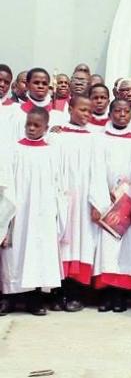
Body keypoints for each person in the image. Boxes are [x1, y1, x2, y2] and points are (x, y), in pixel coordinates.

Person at [0, 107, 64, 316]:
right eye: (29, 124)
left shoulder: (52, 151)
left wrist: (56, 209)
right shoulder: (14, 150)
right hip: (18, 209)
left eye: (37, 125)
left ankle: (34, 299)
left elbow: (58, 182)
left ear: (46, 128)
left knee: (38, 251)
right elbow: (6, 182)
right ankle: (9, 297)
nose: (31, 128)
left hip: (42, 211)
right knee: (14, 253)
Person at [90, 99, 131, 312]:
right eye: (117, 111)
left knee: (128, 250)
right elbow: (95, 171)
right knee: (108, 251)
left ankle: (121, 296)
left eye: (126, 111)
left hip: (129, 202)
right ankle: (106, 295)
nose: (122, 115)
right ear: (110, 113)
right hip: (108, 202)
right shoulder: (99, 140)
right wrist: (99, 200)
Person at [49, 95, 98, 312]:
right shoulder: (57, 137)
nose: (86, 114)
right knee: (61, 243)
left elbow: (98, 172)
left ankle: (75, 293)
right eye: (82, 110)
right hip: (63, 197)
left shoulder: (94, 138)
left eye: (89, 111)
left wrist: (97, 201)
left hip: (84, 199)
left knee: (80, 243)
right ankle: (58, 293)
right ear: (70, 109)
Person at [9, 68, 67, 140]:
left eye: (44, 83)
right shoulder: (15, 113)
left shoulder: (58, 116)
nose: (40, 86)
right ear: (27, 85)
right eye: (36, 82)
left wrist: (54, 136)